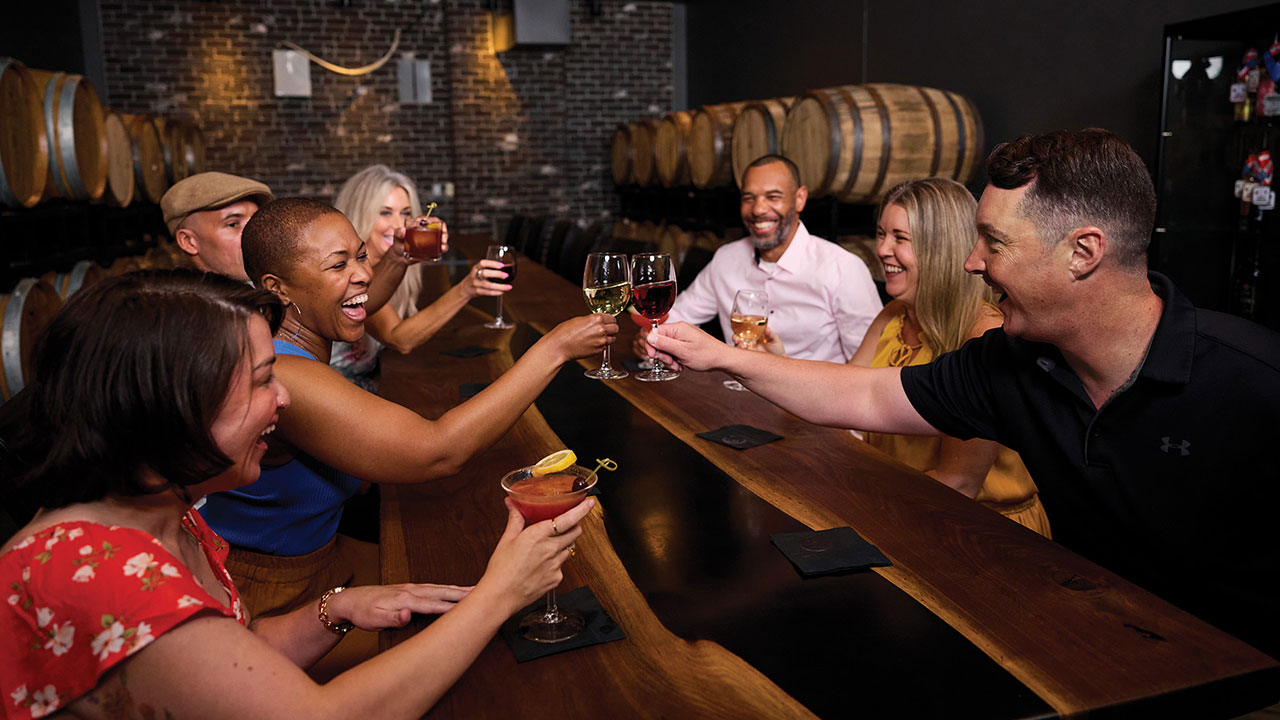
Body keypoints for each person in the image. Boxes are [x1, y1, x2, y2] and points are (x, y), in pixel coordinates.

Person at [645, 129, 1280, 659]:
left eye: (995, 242)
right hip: (1090, 640)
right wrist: (718, 355)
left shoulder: (1254, 381)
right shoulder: (1011, 362)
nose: (971, 262)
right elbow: (865, 399)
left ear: (1083, 252)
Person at [0, 270, 591, 719]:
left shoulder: (164, 508)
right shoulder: (102, 573)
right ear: (171, 409)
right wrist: (500, 594)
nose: (283, 400)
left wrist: (330, 611)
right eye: (262, 381)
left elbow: (233, 650)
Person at [198, 198, 614, 636]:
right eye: (338, 265)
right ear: (279, 287)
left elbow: (361, 299)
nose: (361, 273)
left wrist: (396, 258)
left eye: (360, 255)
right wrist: (555, 349)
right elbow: (437, 453)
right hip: (269, 594)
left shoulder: (284, 328)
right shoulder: (286, 373)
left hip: (323, 562)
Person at [756, 177, 1050, 536]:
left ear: (938, 248)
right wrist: (778, 361)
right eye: (881, 234)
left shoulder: (982, 335)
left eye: (900, 238)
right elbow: (842, 402)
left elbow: (958, 484)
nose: (882, 249)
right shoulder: (894, 314)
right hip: (907, 508)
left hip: (987, 531)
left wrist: (851, 511)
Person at [633, 155, 882, 363]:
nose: (758, 210)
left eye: (773, 197)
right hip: (736, 400)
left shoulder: (842, 268)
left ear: (799, 199)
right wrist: (652, 336)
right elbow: (679, 315)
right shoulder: (727, 259)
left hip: (815, 414)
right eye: (748, 198)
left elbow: (869, 369)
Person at [328, 165, 509, 390]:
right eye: (385, 213)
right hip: (338, 390)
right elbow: (400, 338)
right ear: (358, 215)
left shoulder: (387, 265)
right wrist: (466, 289)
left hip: (368, 381)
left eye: (405, 213)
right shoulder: (353, 272)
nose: (398, 224)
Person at [162, 171, 407, 315]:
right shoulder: (190, 315)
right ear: (188, 241)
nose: (252, 233)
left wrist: (399, 254)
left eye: (255, 220)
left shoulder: (254, 289)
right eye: (233, 224)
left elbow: (346, 302)